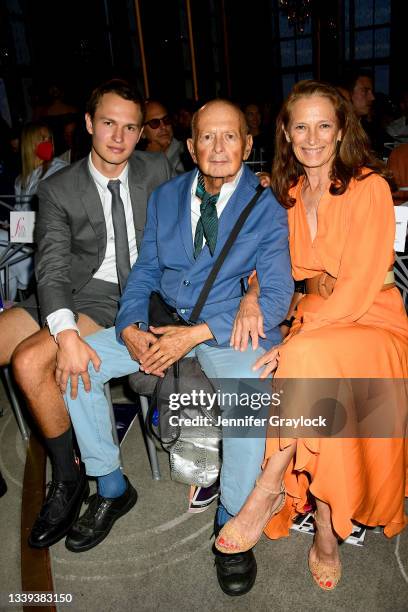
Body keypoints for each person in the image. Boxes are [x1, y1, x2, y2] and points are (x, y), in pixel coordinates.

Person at [56, 99, 293, 592]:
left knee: (249, 396)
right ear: (191, 146)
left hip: (225, 328)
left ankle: (231, 515)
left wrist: (199, 333)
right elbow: (144, 271)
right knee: (79, 359)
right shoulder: (166, 196)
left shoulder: (268, 205)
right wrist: (129, 326)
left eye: (231, 136)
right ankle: (112, 483)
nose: (219, 147)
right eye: (207, 136)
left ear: (249, 145)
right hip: (162, 320)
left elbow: (275, 294)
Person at [214, 80, 408, 591]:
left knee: (303, 356)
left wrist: (291, 342)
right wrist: (254, 295)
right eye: (300, 125)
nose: (313, 137)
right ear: (286, 132)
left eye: (324, 124)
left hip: (373, 318)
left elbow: (363, 284)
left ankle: (268, 486)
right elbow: (269, 265)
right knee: (312, 365)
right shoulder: (288, 195)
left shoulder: (371, 186)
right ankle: (324, 529)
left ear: (342, 129)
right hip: (316, 321)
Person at [9, 78, 173, 549]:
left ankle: (69, 479)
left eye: (129, 127)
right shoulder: (59, 187)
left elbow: (200, 195)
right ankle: (77, 474)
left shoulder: (156, 168)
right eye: (108, 124)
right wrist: (64, 330)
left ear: (141, 133)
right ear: (88, 124)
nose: (118, 138)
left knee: (28, 362)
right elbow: (53, 267)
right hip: (66, 288)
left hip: (117, 295)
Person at [0, 121, 67, 300]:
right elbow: (19, 218)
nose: (48, 143)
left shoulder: (59, 171)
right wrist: (9, 224)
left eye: (49, 138)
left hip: (43, 246)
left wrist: (16, 227)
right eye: (42, 139)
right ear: (30, 144)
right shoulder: (21, 179)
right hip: (23, 242)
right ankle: (6, 309)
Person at [139, 99, 186, 174]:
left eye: (166, 120)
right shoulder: (136, 161)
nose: (163, 127)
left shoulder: (187, 153)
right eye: (154, 123)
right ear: (142, 133)